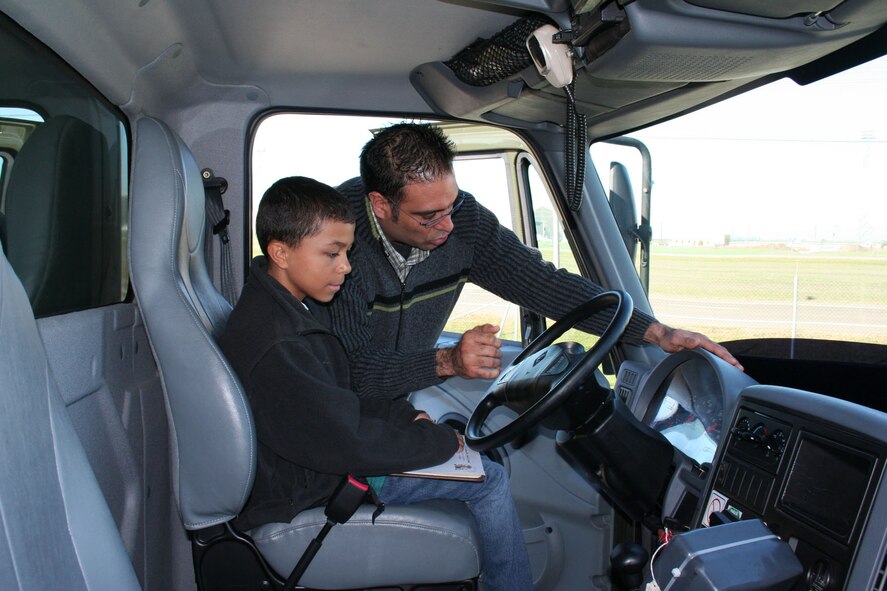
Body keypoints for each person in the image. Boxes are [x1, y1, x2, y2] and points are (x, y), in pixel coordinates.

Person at [219, 176, 533, 591]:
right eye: (332, 254)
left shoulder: (292, 310)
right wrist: (438, 442)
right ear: (280, 252)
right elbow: (345, 441)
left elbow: (340, 393)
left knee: (469, 459)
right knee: (489, 480)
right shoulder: (278, 341)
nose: (346, 267)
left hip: (324, 465)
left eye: (347, 252)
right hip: (315, 486)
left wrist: (404, 415)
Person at [330, 122, 742, 399]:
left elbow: (544, 286)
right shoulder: (338, 244)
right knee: (487, 488)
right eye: (428, 216)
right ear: (381, 206)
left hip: (398, 398)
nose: (447, 226)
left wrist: (655, 332)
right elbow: (352, 370)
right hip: (340, 405)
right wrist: (449, 360)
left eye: (450, 206)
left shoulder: (466, 221)